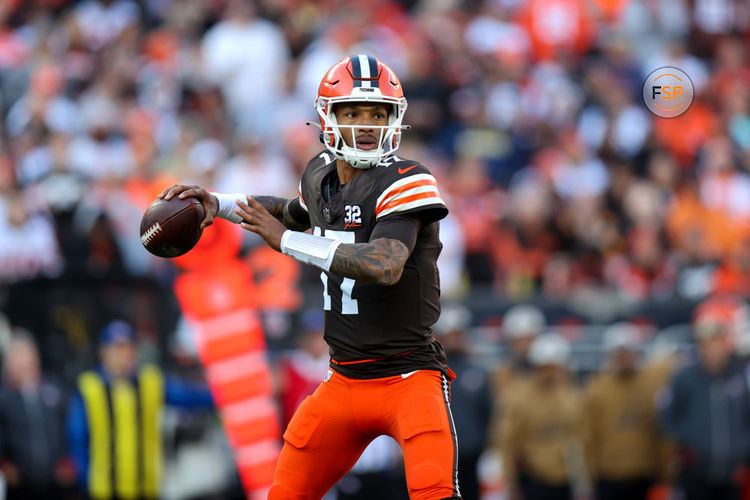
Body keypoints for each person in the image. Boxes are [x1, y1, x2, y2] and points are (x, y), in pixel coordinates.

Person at [159, 54, 460, 499]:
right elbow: (292, 213)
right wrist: (217, 204)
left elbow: (384, 264)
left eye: (377, 113)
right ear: (327, 116)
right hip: (342, 380)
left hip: (409, 377)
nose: (366, 124)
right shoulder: (321, 174)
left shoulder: (407, 180)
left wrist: (286, 242)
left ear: (394, 120)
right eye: (352, 112)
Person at [66, 320, 214, 500]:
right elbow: (77, 439)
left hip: (146, 487)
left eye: (130, 347)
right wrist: (85, 480)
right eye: (118, 348)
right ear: (103, 352)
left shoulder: (149, 382)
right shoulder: (89, 388)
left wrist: (224, 391)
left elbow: (188, 397)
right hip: (106, 490)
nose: (125, 354)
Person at [658, 297, 750, 500]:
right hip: (695, 473)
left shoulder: (741, 375)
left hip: (732, 473)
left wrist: (741, 453)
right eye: (706, 342)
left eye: (717, 340)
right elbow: (666, 416)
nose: (712, 347)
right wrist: (691, 445)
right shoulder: (684, 376)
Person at [500, 333, 589, 500]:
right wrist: (511, 483)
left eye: (554, 368)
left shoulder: (571, 396)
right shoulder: (520, 397)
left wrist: (583, 483)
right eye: (545, 368)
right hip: (533, 478)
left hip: (565, 478)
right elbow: (508, 441)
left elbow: (580, 438)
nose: (550, 373)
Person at [583, 322, 665, 500]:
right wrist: (587, 479)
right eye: (619, 354)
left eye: (627, 353)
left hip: (644, 473)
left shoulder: (649, 385)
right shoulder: (597, 390)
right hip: (609, 475)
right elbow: (588, 437)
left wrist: (664, 472)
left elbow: (659, 432)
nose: (624, 359)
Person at [0, 330, 74, 500]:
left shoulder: (55, 391)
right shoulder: (4, 397)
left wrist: (68, 461)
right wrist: (3, 464)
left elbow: (69, 427)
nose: (25, 363)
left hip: (54, 481)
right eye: (18, 358)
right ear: (8, 364)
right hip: (19, 483)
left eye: (29, 357)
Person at [434, 304, 493, 500]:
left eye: (458, 334)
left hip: (470, 453)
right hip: (437, 454)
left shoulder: (477, 372)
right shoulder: (429, 373)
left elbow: (488, 413)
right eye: (450, 334)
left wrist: (484, 445)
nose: (455, 339)